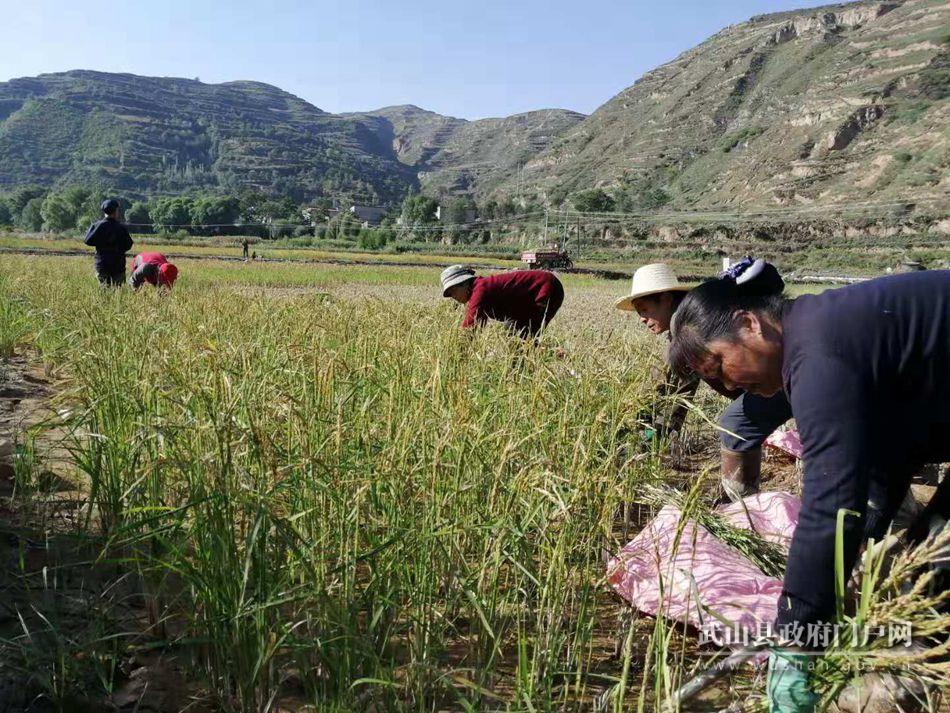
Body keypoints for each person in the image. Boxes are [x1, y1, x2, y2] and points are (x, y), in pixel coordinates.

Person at [667, 263, 950, 711]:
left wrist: (795, 639)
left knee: (933, 579)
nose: (728, 386)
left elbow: (830, 506)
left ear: (749, 323)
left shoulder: (817, 356)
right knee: (924, 559)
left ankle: (887, 690)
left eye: (720, 365)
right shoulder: (820, 331)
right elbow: (886, 450)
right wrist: (862, 543)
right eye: (714, 382)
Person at [616, 261, 792, 499]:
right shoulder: (693, 321)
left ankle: (743, 505)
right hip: (779, 374)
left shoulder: (692, 331)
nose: (642, 319)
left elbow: (674, 397)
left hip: (776, 377)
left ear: (666, 299)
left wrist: (645, 441)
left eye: (644, 309)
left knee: (736, 424)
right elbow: (670, 394)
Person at [440, 265, 564, 339]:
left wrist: (455, 352)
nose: (453, 297)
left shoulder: (481, 290)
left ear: (463, 284)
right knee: (512, 335)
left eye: (453, 291)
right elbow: (477, 324)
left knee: (522, 339)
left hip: (545, 288)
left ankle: (558, 358)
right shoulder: (479, 291)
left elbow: (469, 328)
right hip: (525, 303)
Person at [83, 199, 133, 286]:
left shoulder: (97, 226)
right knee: (118, 291)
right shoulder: (121, 228)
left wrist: (101, 243)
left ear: (104, 211)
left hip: (102, 264)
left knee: (103, 290)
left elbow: (87, 240)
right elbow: (128, 245)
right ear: (116, 211)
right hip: (118, 265)